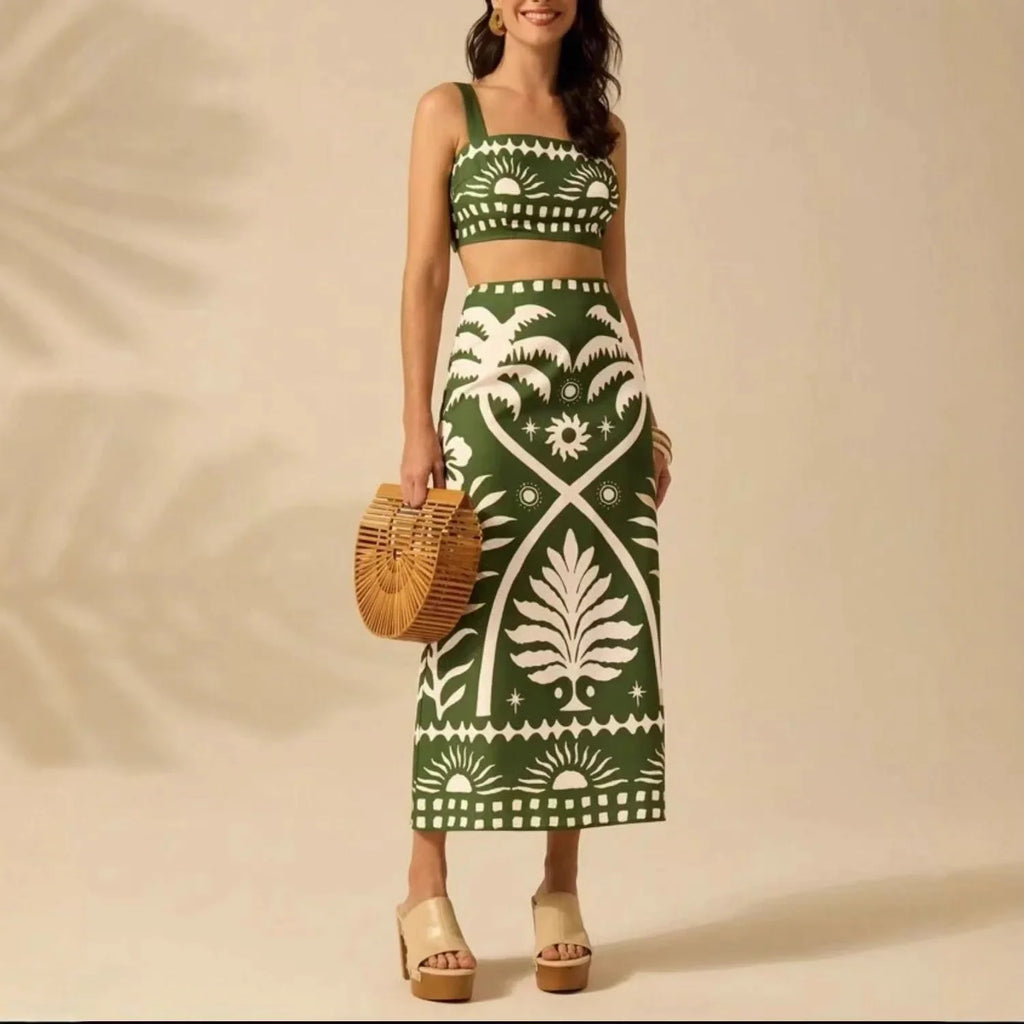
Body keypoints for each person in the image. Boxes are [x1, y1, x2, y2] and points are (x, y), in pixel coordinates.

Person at [395, 0, 673, 1001]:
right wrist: (418, 422)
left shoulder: (603, 130)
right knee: (463, 630)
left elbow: (616, 282)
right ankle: (424, 886)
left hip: (599, 400)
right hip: (491, 397)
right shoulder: (449, 111)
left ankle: (560, 885)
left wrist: (648, 414)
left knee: (582, 636)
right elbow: (427, 273)